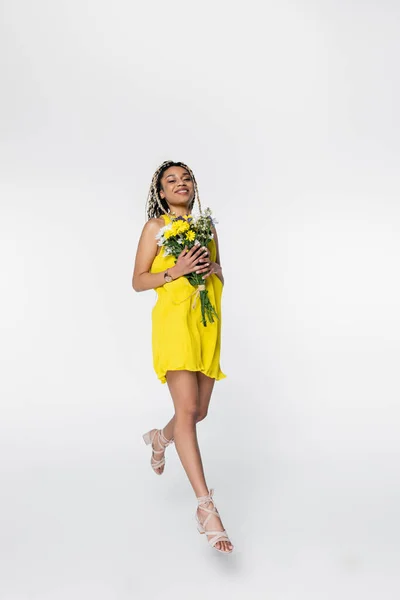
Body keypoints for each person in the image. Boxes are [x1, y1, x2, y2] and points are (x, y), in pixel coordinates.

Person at [132, 160, 234, 554]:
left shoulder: (206, 226)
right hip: (174, 323)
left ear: (193, 186)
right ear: (160, 193)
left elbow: (221, 271)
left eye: (185, 178)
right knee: (188, 408)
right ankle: (206, 508)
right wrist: (176, 271)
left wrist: (210, 269)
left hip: (206, 323)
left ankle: (160, 438)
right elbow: (138, 280)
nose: (180, 184)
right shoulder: (155, 229)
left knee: (197, 411)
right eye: (170, 181)